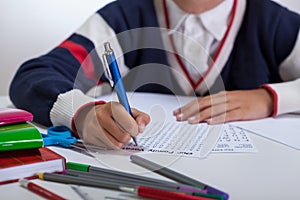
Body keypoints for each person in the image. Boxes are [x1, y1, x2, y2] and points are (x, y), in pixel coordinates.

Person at [9, 0, 300, 149]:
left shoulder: (273, 23)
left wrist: (270, 98)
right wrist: (83, 114)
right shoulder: (125, 18)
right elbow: (35, 75)